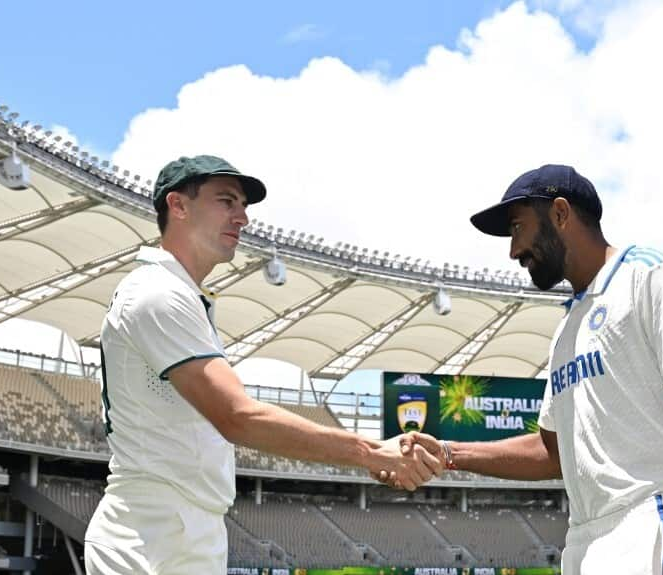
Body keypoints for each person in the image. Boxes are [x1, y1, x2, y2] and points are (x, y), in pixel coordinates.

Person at [84, 155, 442, 574]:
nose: (243, 218)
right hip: (151, 535)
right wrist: (371, 452)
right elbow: (238, 417)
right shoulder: (158, 293)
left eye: (243, 206)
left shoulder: (178, 294)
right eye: (227, 201)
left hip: (180, 529)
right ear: (178, 205)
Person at [380, 164, 663, 574]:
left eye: (517, 227)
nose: (513, 251)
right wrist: (448, 452)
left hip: (653, 521)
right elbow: (552, 452)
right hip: (585, 539)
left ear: (560, 214)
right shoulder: (568, 327)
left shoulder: (651, 276)